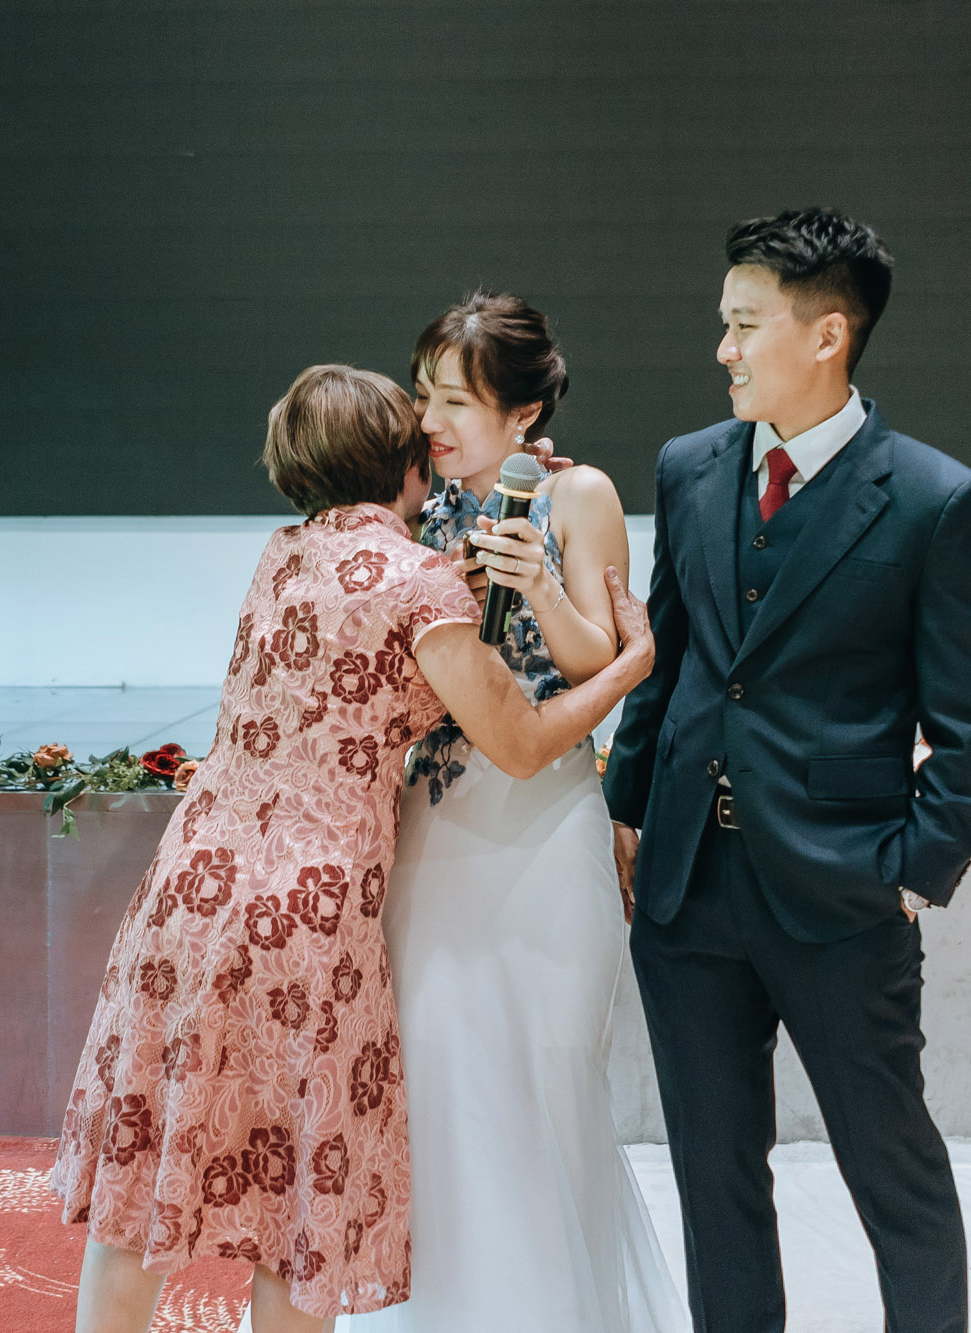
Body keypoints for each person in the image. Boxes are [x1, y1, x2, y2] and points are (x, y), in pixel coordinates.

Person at [52, 364, 654, 1333]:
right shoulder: (419, 581)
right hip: (310, 919)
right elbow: (519, 741)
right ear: (405, 462)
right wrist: (628, 663)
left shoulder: (281, 553)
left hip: (188, 892)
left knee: (147, 1170)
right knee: (300, 1204)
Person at [603, 209, 971, 1333]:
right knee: (713, 1176)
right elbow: (666, 655)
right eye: (723, 323)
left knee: (892, 1170)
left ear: (827, 335)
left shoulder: (936, 501)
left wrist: (913, 870)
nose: (723, 349)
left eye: (745, 325)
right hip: (686, 889)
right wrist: (627, 811)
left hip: (843, 893)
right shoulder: (689, 467)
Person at [342, 293, 686, 1332]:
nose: (430, 419)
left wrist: (535, 585)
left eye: (456, 399)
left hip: (545, 822)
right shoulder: (415, 502)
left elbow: (601, 662)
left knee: (541, 1081)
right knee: (437, 1074)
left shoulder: (577, 494)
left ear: (524, 412)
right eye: (425, 394)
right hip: (434, 824)